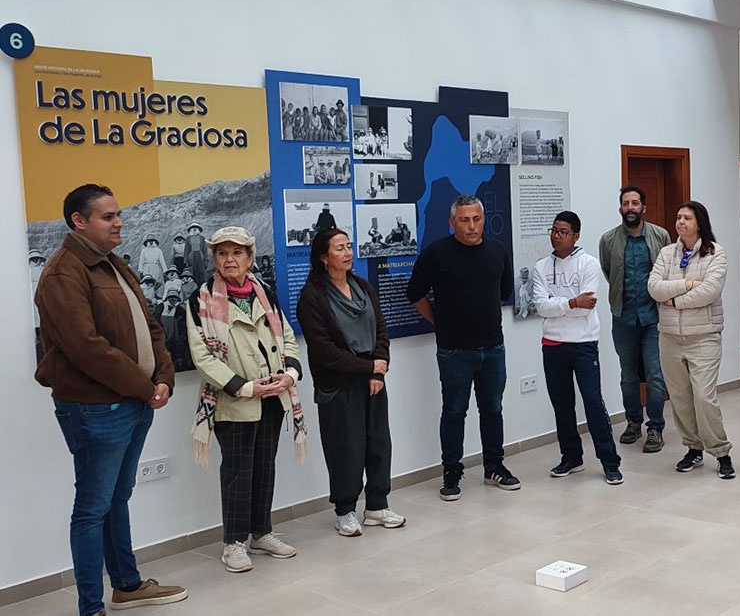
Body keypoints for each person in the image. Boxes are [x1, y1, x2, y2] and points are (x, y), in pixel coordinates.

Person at [34, 184, 187, 616]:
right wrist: (144, 386)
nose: (119, 222)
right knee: (92, 508)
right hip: (96, 408)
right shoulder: (64, 273)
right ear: (78, 221)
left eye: (118, 214)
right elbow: (86, 347)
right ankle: (90, 607)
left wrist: (164, 377)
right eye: (107, 216)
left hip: (134, 402)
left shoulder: (114, 264)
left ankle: (127, 585)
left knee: (117, 498)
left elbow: (151, 325)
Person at [187, 226, 307, 573]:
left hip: (273, 397)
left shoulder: (264, 292)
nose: (230, 259)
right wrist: (243, 387)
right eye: (222, 253)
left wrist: (291, 375)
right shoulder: (202, 300)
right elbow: (203, 357)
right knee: (238, 472)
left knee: (264, 467)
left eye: (237, 252)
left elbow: (286, 335)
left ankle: (261, 532)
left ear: (250, 258)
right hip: (234, 400)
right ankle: (234, 542)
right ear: (214, 259)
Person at [406, 194, 518, 501]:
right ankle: (452, 471)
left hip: (493, 347)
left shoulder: (497, 250)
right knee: (454, 412)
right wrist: (439, 322)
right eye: (464, 220)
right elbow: (414, 293)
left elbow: (503, 291)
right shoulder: (437, 253)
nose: (472, 226)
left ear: (483, 220)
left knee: (493, 409)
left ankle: (494, 466)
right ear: (452, 222)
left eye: (477, 219)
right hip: (454, 350)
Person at [296, 228, 406, 537]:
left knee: (378, 442)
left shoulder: (363, 287)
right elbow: (324, 351)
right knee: (346, 448)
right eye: (339, 248)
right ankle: (344, 510)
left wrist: (376, 372)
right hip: (338, 384)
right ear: (323, 257)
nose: (348, 253)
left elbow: (381, 331)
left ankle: (376, 505)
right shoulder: (312, 297)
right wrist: (366, 366)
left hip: (371, 380)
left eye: (349, 246)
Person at [532, 211, 623, 484]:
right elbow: (540, 307)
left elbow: (588, 308)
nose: (556, 236)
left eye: (563, 232)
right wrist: (571, 303)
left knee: (593, 402)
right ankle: (571, 457)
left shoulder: (589, 264)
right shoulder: (541, 267)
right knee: (562, 405)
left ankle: (610, 462)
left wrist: (558, 305)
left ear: (576, 236)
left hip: (583, 344)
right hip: (553, 344)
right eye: (554, 230)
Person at [648, 201, 733, 479]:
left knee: (704, 397)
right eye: (678, 217)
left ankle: (721, 452)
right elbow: (654, 287)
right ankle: (693, 449)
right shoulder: (666, 253)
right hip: (670, 337)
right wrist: (684, 285)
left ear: (700, 223)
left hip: (703, 337)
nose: (680, 222)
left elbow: (709, 292)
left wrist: (672, 300)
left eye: (687, 218)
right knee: (682, 399)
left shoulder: (715, 253)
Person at [598, 185, 670, 454]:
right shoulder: (608, 240)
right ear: (620, 208)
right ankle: (632, 422)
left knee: (654, 374)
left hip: (654, 318)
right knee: (628, 375)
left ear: (644, 208)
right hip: (623, 317)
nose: (630, 207)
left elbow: (668, 271)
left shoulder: (660, 236)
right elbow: (609, 272)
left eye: (635, 203)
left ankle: (656, 427)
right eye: (626, 203)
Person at [184, 222, 208, 286]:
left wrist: (206, 260)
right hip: (191, 258)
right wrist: (186, 261)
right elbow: (186, 250)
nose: (194, 229)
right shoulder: (188, 239)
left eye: (196, 228)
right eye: (193, 228)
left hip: (200, 257)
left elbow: (204, 250)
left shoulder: (202, 238)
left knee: (201, 273)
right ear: (190, 230)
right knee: (192, 273)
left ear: (198, 229)